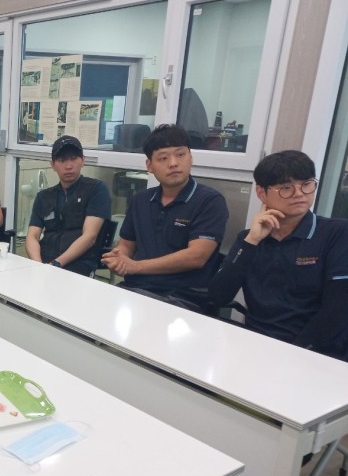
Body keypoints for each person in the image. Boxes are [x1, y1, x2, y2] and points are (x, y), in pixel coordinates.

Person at [209, 150, 348, 361]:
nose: (299, 193)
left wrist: (291, 355)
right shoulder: (248, 238)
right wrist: (251, 242)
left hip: (315, 352)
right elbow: (218, 296)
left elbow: (337, 310)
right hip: (256, 343)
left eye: (307, 184)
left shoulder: (337, 233)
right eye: (286, 187)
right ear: (261, 193)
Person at [101, 124, 229, 308]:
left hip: (184, 297)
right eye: (163, 158)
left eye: (180, 154)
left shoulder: (209, 201)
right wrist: (119, 258)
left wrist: (136, 266)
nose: (173, 163)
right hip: (136, 289)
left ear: (191, 157)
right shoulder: (140, 200)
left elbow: (196, 256)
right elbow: (126, 246)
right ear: (149, 166)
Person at [25, 135, 111, 276]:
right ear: (53, 165)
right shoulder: (44, 196)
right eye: (62, 160)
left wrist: (56, 264)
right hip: (45, 261)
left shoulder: (96, 189)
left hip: (79, 263)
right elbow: (32, 236)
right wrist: (38, 265)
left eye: (74, 158)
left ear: (83, 160)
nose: (69, 166)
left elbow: (89, 237)